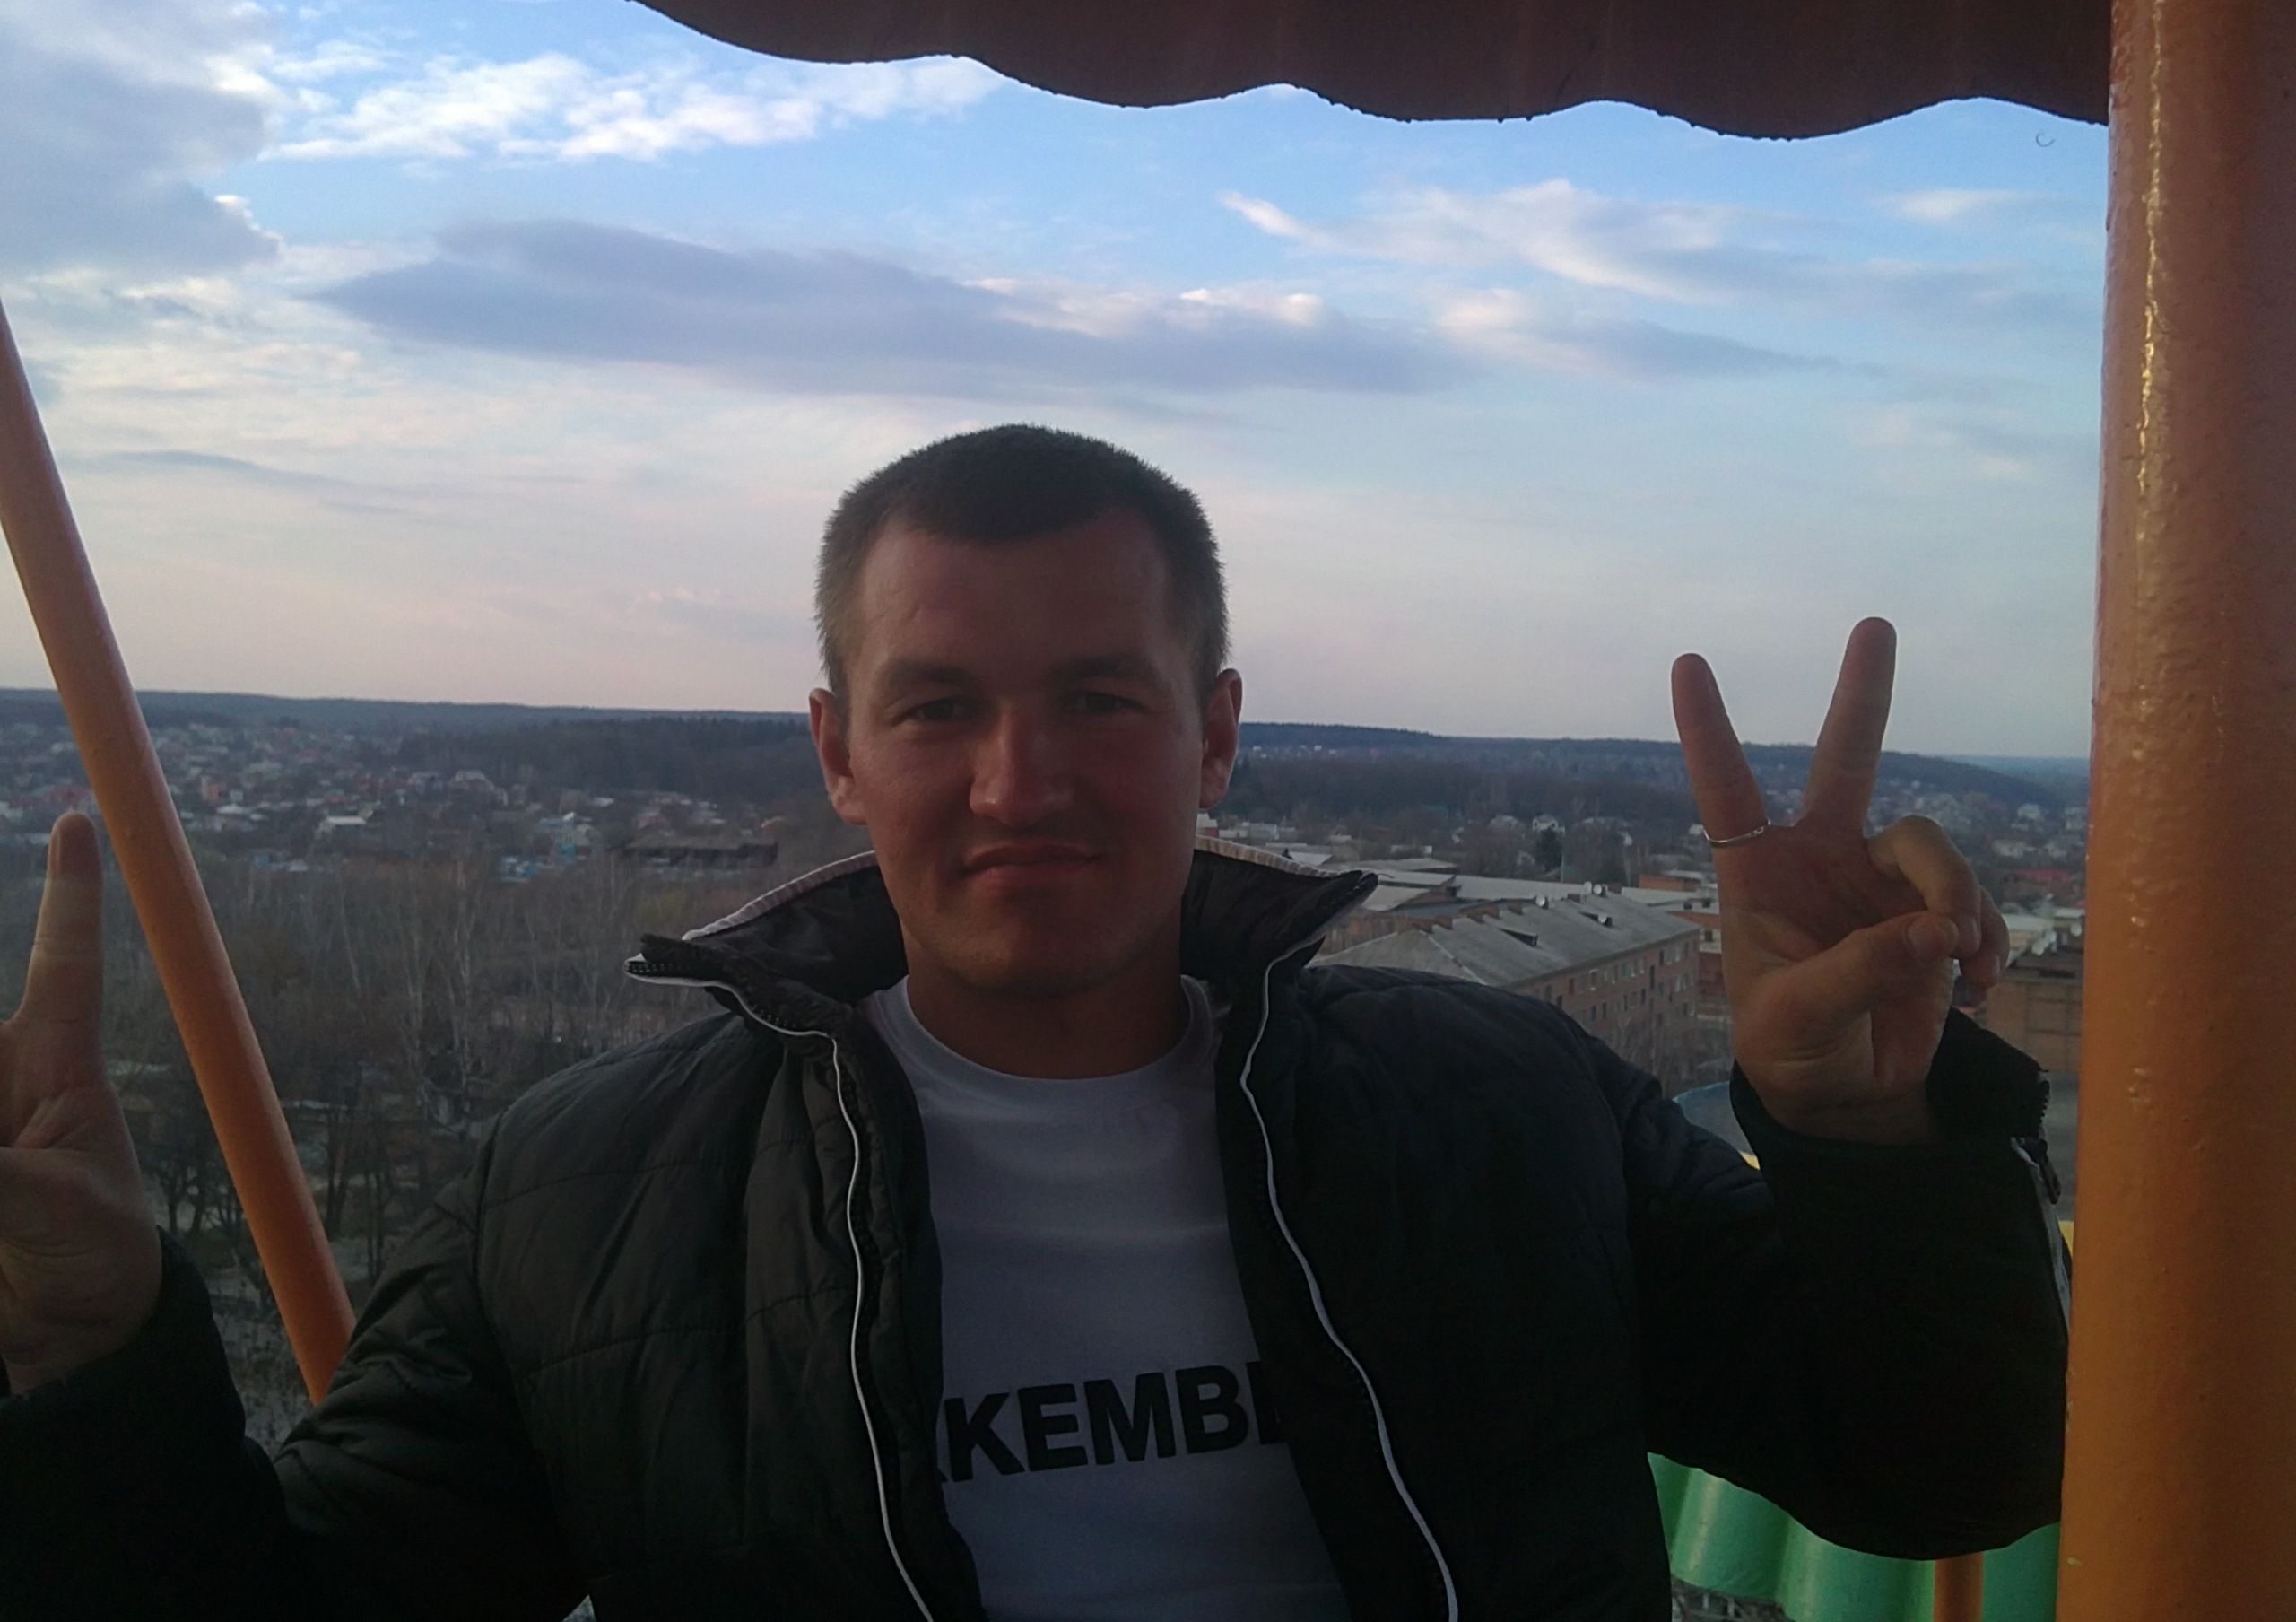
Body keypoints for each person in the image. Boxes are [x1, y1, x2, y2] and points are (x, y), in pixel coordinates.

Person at [0, 425, 2066, 1620]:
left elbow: (1935, 1468)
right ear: (837, 751)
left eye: (1097, 696)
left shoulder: (1503, 1107)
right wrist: (93, 1355)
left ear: (1216, 737)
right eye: (937, 708)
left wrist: (1863, 1136)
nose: (1020, 782)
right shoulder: (592, 1202)